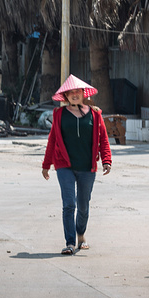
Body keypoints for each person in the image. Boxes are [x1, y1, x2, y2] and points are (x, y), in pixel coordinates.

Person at [41, 75, 112, 255]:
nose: (74, 94)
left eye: (77, 91)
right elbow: (52, 140)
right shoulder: (59, 115)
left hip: (87, 167)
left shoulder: (95, 115)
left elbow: (103, 139)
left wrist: (106, 160)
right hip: (64, 165)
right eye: (70, 92)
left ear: (83, 94)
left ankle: (81, 234)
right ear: (65, 96)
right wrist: (46, 164)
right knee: (68, 204)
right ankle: (70, 242)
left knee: (83, 205)